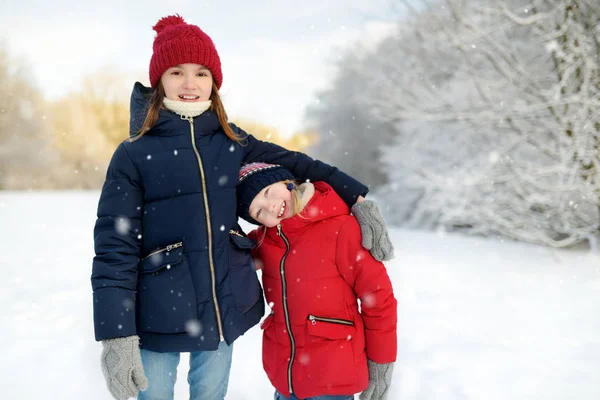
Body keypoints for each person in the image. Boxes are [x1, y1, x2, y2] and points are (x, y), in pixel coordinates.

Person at [91, 14, 394, 400]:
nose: (189, 84)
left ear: (214, 82)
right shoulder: (133, 154)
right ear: (158, 81)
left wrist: (358, 197)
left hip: (221, 310)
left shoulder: (231, 140)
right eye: (177, 72)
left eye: (201, 73)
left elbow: (301, 165)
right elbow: (114, 247)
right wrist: (117, 334)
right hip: (155, 312)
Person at [236, 162, 398, 400]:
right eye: (258, 212)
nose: (269, 207)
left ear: (287, 181)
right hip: (285, 378)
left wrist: (381, 364)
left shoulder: (341, 229)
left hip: (332, 378)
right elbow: (225, 256)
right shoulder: (264, 241)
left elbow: (379, 301)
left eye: (268, 192)